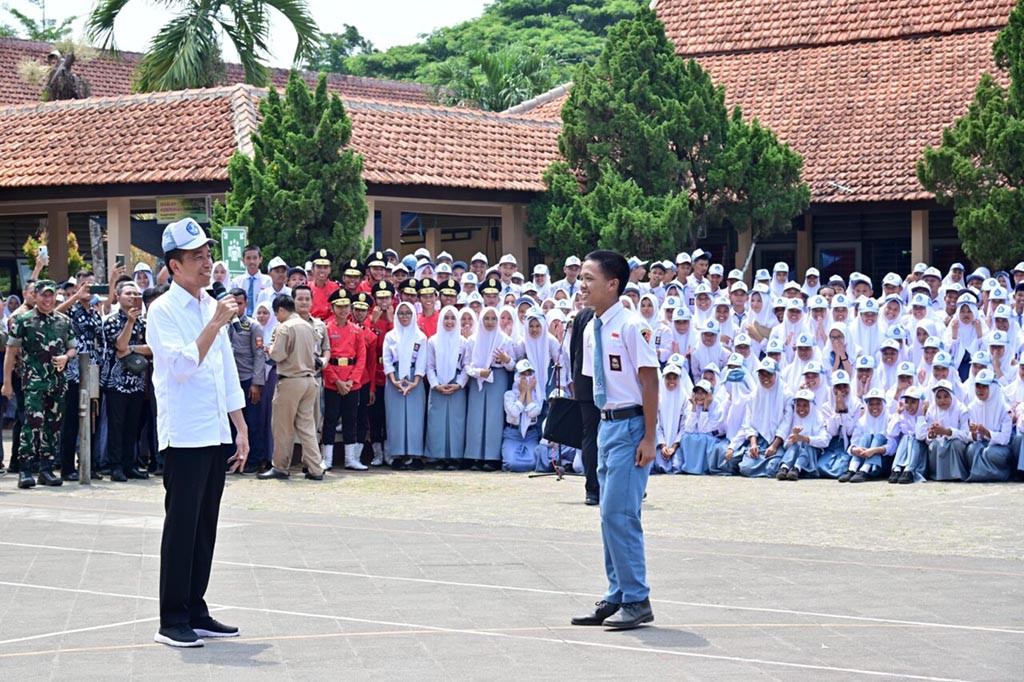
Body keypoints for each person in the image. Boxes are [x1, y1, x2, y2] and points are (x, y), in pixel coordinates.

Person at [146, 218, 248, 647]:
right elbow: (183, 367)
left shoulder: (211, 305)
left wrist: (239, 426)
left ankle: (195, 608)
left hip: (214, 430)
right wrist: (214, 324)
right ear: (175, 265)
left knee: (206, 525)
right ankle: (172, 618)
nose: (207, 263)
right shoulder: (162, 311)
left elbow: (225, 371)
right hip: (185, 434)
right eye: (197, 257)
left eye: (208, 254)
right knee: (182, 526)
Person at [571, 249, 658, 631]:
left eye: (589, 278)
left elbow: (649, 381)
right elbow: (596, 385)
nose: (582, 284)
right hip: (607, 425)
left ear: (613, 284)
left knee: (620, 515)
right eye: (581, 277)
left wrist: (650, 438)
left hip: (631, 425)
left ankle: (637, 598)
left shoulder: (633, 325)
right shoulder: (592, 327)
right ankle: (618, 593)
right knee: (608, 516)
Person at [2, 280, 77, 488]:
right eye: (43, 295)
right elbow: (11, 352)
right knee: (32, 423)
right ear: (35, 296)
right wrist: (7, 382)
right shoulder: (23, 321)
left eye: (51, 295)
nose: (47, 299)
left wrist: (66, 357)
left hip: (57, 382)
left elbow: (73, 347)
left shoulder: (64, 321)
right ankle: (25, 469)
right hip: (33, 382)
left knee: (53, 425)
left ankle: (46, 469)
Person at [260, 294, 323, 481]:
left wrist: (269, 349)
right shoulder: (308, 325)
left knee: (282, 427)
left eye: (276, 313)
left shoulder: (284, 327)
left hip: (290, 380)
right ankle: (315, 467)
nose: (276, 317)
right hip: (309, 380)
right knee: (307, 427)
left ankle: (280, 467)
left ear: (281, 310)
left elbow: (278, 355)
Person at [101, 281, 152, 482]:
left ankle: (130, 464)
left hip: (137, 382)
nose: (132, 297)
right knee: (117, 426)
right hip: (116, 382)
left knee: (133, 426)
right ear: (118, 297)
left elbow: (152, 347)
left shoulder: (144, 322)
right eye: (128, 293)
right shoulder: (112, 321)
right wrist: (129, 323)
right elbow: (119, 345)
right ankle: (116, 466)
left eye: (135, 293)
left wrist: (132, 349)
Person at [321, 289, 368, 471]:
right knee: (330, 419)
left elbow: (361, 358)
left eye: (346, 306)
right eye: (339, 306)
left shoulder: (357, 331)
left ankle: (351, 459)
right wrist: (336, 381)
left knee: (351, 419)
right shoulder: (326, 329)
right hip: (333, 381)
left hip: (351, 382)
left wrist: (351, 380)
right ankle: (327, 459)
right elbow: (324, 356)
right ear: (332, 308)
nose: (343, 310)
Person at [465, 306, 515, 471]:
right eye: (487, 318)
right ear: (481, 319)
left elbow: (512, 366)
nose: (490, 322)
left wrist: (506, 359)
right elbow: (467, 364)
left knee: (494, 418)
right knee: (475, 417)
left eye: (493, 318)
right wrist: (479, 372)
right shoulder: (473, 340)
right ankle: (474, 456)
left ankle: (492, 458)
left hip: (497, 378)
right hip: (478, 379)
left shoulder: (504, 340)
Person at [382, 301, 428, 469]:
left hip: (414, 378)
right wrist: (393, 380)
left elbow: (422, 361)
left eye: (408, 313)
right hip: (394, 378)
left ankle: (415, 455)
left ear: (414, 315)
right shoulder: (390, 336)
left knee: (415, 418)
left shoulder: (420, 337)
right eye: (401, 313)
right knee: (396, 418)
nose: (404, 316)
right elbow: (387, 360)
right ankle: (397, 455)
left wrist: (415, 381)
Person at [227, 288, 265, 472]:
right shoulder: (221, 324)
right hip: (229, 380)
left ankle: (254, 460)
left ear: (246, 304)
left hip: (247, 379)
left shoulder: (253, 326)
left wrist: (256, 383)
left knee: (252, 421)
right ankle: (231, 459)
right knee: (229, 423)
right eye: (233, 303)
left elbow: (259, 355)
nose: (236, 307)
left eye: (239, 303)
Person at [425, 305, 468, 469]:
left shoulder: (463, 342)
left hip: (456, 385)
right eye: (446, 318)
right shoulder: (433, 341)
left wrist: (459, 384)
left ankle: (455, 457)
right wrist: (436, 384)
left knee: (456, 422)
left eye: (453, 318)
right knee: (437, 422)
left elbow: (466, 366)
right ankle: (438, 457)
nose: (449, 322)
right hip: (438, 385)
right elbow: (429, 366)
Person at [964, 369, 1014, 482]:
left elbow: (1006, 438)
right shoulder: (972, 407)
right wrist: (974, 433)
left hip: (1000, 447)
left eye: (984, 386)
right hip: (981, 444)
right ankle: (983, 475)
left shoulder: (1004, 409)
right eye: (978, 386)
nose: (980, 390)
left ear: (993, 387)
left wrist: (987, 433)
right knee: (972, 449)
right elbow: (972, 438)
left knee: (990, 452)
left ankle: (1001, 474)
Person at [501, 359, 545, 472]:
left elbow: (532, 413)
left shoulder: (538, 395)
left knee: (534, 463)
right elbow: (514, 412)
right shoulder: (509, 395)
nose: (526, 378)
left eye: (529, 374)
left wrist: (529, 392)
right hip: (512, 434)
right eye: (523, 374)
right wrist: (522, 394)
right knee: (511, 464)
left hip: (530, 435)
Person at [776, 388, 829, 481]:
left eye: (805, 405)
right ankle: (784, 468)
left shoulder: (818, 418)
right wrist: (793, 437)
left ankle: (797, 468)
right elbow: (785, 445)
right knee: (794, 446)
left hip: (811, 456)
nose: (801, 409)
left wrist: (805, 439)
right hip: (794, 454)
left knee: (806, 446)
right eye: (798, 405)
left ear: (811, 406)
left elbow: (825, 441)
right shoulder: (792, 417)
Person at [231, 245, 272, 316]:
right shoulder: (236, 282)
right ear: (243, 260)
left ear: (260, 259)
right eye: (248, 258)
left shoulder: (268, 281)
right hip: (241, 318)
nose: (252, 261)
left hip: (261, 318)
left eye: (255, 258)